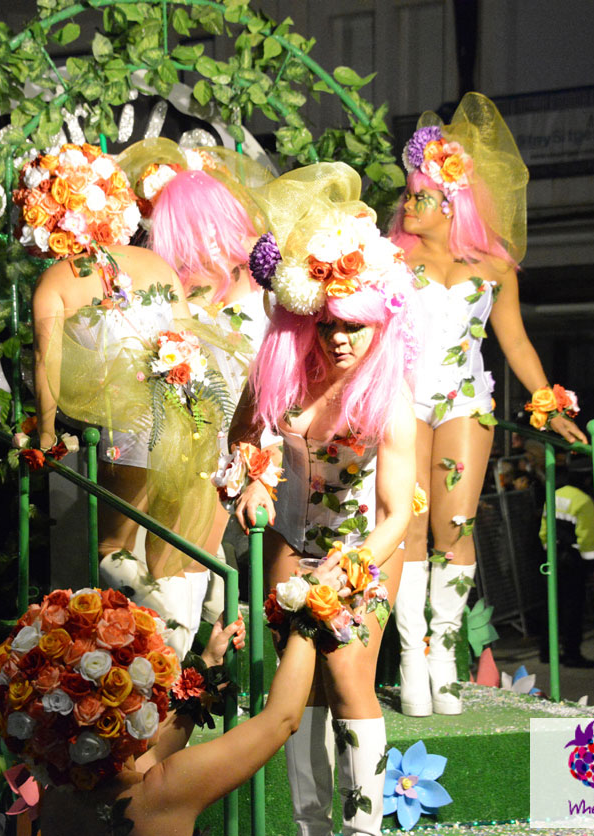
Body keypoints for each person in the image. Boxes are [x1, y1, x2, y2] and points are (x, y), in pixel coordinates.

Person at [229, 162, 418, 836]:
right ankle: (311, 826)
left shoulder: (391, 399)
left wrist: (351, 565)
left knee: (346, 676)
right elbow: (241, 443)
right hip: (289, 543)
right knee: (296, 683)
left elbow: (398, 512)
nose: (339, 337)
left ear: (379, 323)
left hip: (364, 547)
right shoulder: (277, 373)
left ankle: (364, 829)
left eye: (355, 325)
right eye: (328, 322)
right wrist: (251, 477)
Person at [388, 92, 588, 717]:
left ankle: (443, 654)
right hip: (402, 399)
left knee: (456, 525)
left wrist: (547, 403)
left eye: (420, 195)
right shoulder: (389, 258)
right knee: (410, 523)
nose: (407, 203)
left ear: (453, 204)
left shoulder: (497, 267)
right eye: (408, 193)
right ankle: (410, 657)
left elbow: (517, 342)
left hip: (465, 401)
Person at [26, 143, 227, 657]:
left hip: (130, 424)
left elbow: (45, 360)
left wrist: (47, 434)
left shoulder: (58, 279)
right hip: (194, 408)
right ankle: (207, 633)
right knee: (180, 545)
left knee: (113, 545)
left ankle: (169, 657)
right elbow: (190, 339)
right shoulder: (157, 263)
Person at [0, 562, 336, 836]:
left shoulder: (60, 799)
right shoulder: (165, 792)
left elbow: (149, 758)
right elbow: (282, 719)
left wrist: (208, 667)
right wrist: (307, 610)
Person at [113, 138, 273, 625]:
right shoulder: (181, 293)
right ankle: (172, 657)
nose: (185, 257)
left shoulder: (263, 298)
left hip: (237, 449)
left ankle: (178, 660)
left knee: (172, 559)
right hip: (181, 440)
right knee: (136, 550)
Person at [537, 460, 594, 668]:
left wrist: (548, 551)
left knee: (551, 605)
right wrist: (591, 566)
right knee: (573, 608)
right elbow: (587, 537)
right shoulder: (584, 501)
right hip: (573, 561)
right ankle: (572, 653)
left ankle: (547, 651)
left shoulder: (554, 495)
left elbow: (544, 529)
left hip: (552, 557)